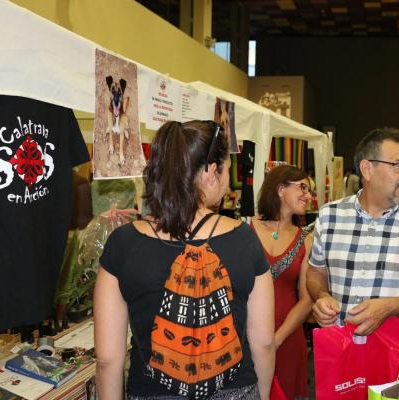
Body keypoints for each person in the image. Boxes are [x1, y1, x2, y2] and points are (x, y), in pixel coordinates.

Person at [94, 120, 275, 400]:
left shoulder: (123, 243)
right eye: (226, 170)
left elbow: (107, 359)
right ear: (210, 172)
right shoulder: (245, 239)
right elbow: (263, 342)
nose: (227, 182)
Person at [306, 127, 399, 358]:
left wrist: (393, 306)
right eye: (398, 166)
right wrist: (321, 297)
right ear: (367, 169)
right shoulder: (330, 216)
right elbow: (316, 272)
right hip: (342, 358)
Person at [251, 165, 314, 400]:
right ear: (280, 189)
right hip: (248, 336)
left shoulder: (306, 240)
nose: (308, 195)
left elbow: (307, 299)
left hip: (288, 339)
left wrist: (275, 340)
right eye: (303, 187)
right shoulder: (246, 230)